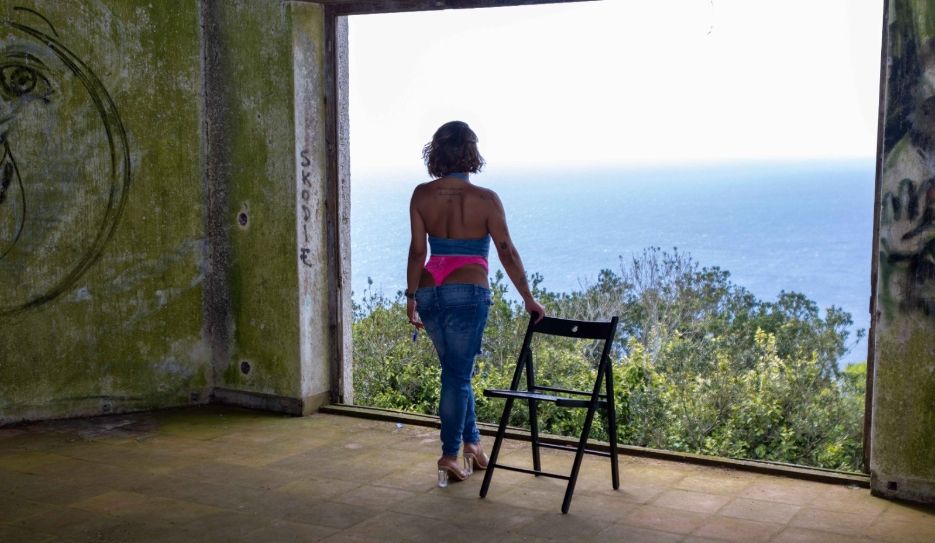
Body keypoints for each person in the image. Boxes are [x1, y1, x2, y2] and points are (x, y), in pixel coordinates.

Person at [406, 120, 546, 483]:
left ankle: (473, 445)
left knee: (456, 372)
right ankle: (449, 455)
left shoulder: (421, 194)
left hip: (429, 287)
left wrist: (411, 298)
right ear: (471, 152)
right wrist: (528, 298)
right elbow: (506, 251)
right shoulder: (485, 199)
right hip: (467, 290)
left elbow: (418, 251)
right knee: (457, 375)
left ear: (435, 153)